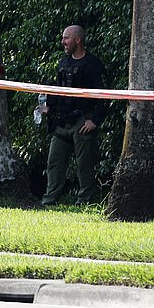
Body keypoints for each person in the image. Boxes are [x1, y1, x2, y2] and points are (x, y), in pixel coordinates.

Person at [41, 25, 108, 206]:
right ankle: (49, 200)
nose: (63, 42)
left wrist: (95, 120)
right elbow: (57, 90)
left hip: (82, 122)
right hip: (62, 122)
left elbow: (104, 96)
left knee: (84, 165)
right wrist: (48, 107)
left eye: (66, 38)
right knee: (54, 163)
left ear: (77, 40)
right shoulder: (63, 63)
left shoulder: (93, 65)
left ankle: (85, 201)